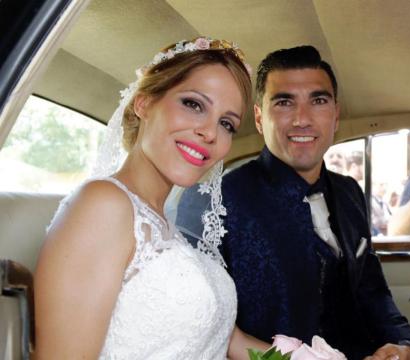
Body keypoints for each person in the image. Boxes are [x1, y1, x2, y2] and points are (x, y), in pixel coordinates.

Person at [177, 45, 410, 360]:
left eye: (318, 101)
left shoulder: (350, 192)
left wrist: (404, 346)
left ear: (335, 115)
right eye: (284, 103)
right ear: (258, 117)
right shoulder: (213, 201)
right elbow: (204, 327)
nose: (303, 120)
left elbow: (372, 291)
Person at [34, 37, 270, 359]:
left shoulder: (167, 227)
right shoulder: (103, 206)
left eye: (226, 124)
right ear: (143, 103)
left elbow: (231, 341)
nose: (211, 132)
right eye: (194, 104)